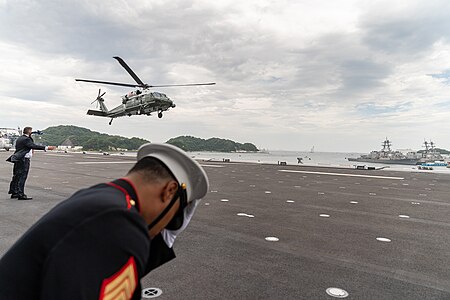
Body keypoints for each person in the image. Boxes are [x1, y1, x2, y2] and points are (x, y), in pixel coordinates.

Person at [0, 143, 209, 300]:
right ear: (170, 190)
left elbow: (98, 278)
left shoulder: (104, 200)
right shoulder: (118, 221)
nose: (171, 223)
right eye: (177, 213)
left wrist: (160, 245)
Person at [6, 127, 55, 200]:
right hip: (24, 159)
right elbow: (32, 145)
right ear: (29, 132)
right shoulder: (26, 139)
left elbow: (28, 146)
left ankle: (14, 192)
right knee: (22, 176)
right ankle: (21, 194)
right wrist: (46, 148)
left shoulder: (20, 138)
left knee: (16, 176)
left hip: (18, 158)